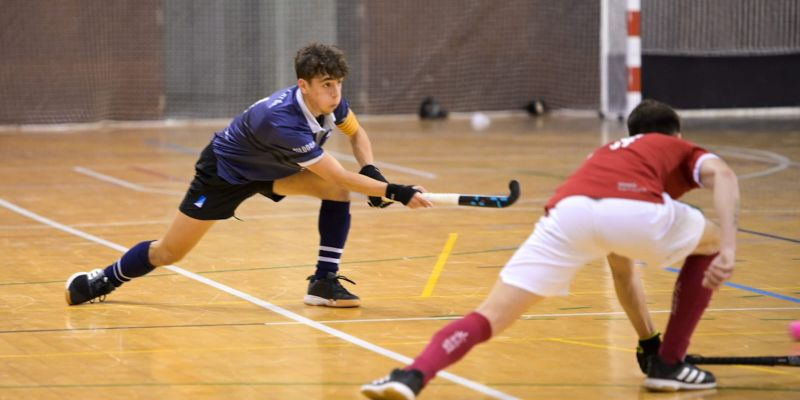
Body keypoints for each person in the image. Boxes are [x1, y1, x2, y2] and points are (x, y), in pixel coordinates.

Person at [361, 99, 739, 399]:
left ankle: (412, 375)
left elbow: (624, 274)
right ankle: (671, 365)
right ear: (675, 135)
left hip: (568, 211)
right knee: (711, 240)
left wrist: (646, 340)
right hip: (630, 206)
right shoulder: (676, 146)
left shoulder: (611, 153)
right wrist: (728, 248)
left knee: (489, 315)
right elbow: (723, 175)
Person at [65, 43, 432, 308]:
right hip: (225, 175)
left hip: (272, 168)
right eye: (326, 85)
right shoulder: (281, 120)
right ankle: (104, 279)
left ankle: (323, 282)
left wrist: (370, 171)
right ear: (303, 85)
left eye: (338, 83)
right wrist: (396, 191)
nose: (335, 93)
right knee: (170, 252)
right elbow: (336, 173)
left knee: (336, 194)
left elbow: (357, 134)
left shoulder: (331, 102)